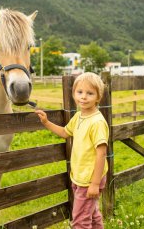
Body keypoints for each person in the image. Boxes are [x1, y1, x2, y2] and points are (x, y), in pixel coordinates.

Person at [35, 72, 109, 229]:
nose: (83, 97)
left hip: (89, 179)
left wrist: (95, 183)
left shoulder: (97, 122)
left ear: (98, 97)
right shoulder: (79, 116)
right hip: (79, 177)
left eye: (90, 93)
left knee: (80, 221)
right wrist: (46, 122)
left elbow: (101, 154)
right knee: (92, 214)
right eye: (79, 92)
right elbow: (65, 132)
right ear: (74, 93)